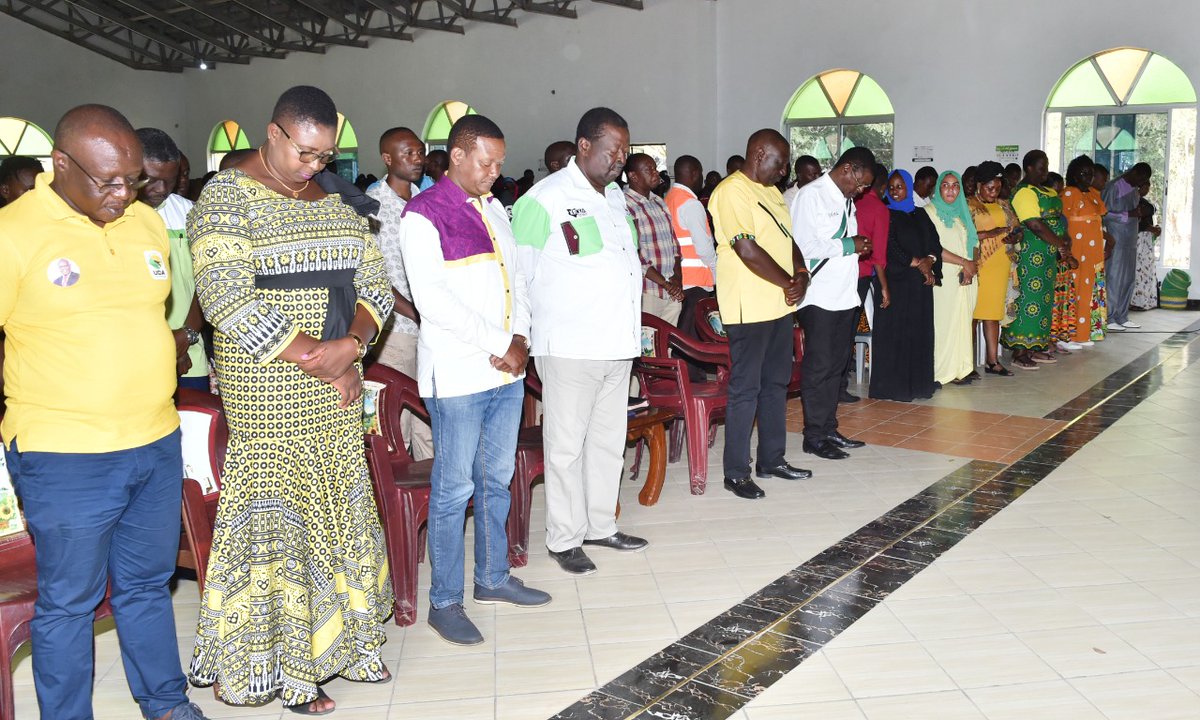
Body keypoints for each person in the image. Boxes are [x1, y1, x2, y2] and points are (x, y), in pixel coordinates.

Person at [187, 86, 394, 714]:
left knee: (337, 507)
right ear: (273, 133)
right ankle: (274, 666)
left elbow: (376, 284)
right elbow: (227, 297)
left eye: (324, 155)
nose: (314, 165)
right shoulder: (225, 198)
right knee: (278, 519)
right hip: (269, 386)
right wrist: (317, 357)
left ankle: (346, 645)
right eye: (304, 152)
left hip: (337, 381)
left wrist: (351, 348)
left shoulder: (333, 198)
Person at [0, 104, 207, 720]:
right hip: (65, 452)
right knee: (70, 601)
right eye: (108, 181)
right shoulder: (14, 232)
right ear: (60, 164)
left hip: (154, 439)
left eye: (133, 180)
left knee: (147, 584)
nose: (124, 194)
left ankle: (165, 704)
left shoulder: (144, 223)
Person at [399, 114, 551, 645]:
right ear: (458, 156)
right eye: (486, 162)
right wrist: (500, 343)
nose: (494, 172)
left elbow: (517, 282)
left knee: (495, 479)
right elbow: (433, 301)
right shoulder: (423, 214)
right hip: (460, 375)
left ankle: (492, 578)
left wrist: (521, 338)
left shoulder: (495, 209)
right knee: (453, 489)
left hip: (506, 372)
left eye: (499, 164)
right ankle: (444, 602)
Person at [512, 107, 648, 576]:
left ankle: (600, 525)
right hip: (569, 345)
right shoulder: (543, 199)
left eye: (626, 151)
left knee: (608, 442)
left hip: (617, 344)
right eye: (613, 150)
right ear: (584, 146)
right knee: (566, 447)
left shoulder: (616, 199)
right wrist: (522, 336)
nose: (620, 159)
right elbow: (519, 276)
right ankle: (565, 538)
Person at [710, 129, 811, 500]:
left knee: (775, 385)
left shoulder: (772, 192)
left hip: (779, 305)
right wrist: (789, 281)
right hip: (748, 306)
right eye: (779, 163)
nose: (784, 172)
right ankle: (736, 473)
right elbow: (745, 248)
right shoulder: (731, 191)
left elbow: (788, 240)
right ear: (758, 154)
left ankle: (772, 459)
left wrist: (801, 273)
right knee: (745, 390)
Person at [791, 147, 875, 460]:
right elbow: (802, 246)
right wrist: (850, 244)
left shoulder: (845, 199)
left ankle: (828, 427)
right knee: (819, 367)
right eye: (861, 183)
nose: (861, 190)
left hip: (844, 296)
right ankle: (813, 436)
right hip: (819, 297)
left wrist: (855, 247)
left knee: (837, 367)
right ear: (848, 169)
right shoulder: (811, 196)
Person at [367, 126, 434, 460]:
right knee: (395, 421)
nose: (417, 159)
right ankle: (393, 487)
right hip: (396, 330)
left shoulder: (427, 201)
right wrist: (415, 312)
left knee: (428, 419)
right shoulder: (373, 207)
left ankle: (430, 485)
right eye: (408, 153)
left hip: (432, 329)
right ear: (387, 158)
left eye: (420, 152)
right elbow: (371, 276)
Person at [136, 127, 208, 391]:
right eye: (152, 180)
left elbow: (209, 281)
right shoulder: (112, 215)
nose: (162, 189)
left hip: (189, 355)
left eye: (170, 180)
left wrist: (185, 336)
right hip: (134, 356)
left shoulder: (190, 213)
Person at [869, 170, 939, 401]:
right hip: (895, 283)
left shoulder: (920, 213)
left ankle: (919, 385)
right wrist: (916, 263)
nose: (895, 191)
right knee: (897, 335)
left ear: (908, 187)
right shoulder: (886, 212)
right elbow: (887, 245)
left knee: (919, 333)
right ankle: (894, 387)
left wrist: (930, 260)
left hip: (920, 285)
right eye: (892, 187)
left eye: (900, 186)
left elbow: (934, 242)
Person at [1002, 150, 1067, 370]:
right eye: (1041, 167)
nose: (1045, 171)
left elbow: (1057, 220)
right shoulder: (1024, 192)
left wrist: (1063, 239)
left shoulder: (1047, 190)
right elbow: (1034, 224)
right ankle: (1019, 350)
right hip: (1030, 255)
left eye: (1046, 166)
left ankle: (1035, 346)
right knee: (1027, 299)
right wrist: (1060, 243)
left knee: (1043, 301)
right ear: (1028, 168)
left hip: (1047, 256)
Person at [665, 154, 717, 381]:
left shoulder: (669, 198)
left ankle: (684, 377)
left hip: (679, 277)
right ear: (695, 173)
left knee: (683, 333)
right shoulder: (691, 203)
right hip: (696, 279)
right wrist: (716, 271)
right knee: (692, 339)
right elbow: (704, 247)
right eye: (701, 173)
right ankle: (693, 382)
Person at [843, 162, 891, 403]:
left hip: (842, 273)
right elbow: (878, 256)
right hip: (861, 275)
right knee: (849, 330)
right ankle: (840, 386)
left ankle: (836, 383)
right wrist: (884, 287)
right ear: (882, 186)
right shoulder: (879, 209)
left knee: (839, 330)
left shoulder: (851, 201)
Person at [927, 171, 980, 385]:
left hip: (965, 277)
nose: (951, 189)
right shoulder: (929, 212)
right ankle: (941, 372)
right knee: (944, 324)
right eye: (946, 185)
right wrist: (964, 262)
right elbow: (933, 248)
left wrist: (971, 266)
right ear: (938, 188)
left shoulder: (961, 213)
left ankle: (960, 369)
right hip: (944, 277)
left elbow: (974, 241)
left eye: (955, 185)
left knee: (962, 323)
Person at [968, 161, 1021, 374]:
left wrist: (1015, 235)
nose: (994, 192)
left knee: (993, 314)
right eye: (990, 188)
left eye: (997, 188)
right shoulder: (969, 205)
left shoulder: (1004, 205)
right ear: (979, 185)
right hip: (980, 266)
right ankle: (967, 364)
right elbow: (964, 234)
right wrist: (990, 233)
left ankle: (992, 361)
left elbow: (1017, 228)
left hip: (1000, 265)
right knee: (973, 315)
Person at [625, 153, 684, 323]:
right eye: (649, 169)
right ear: (633, 176)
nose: (656, 172)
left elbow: (674, 244)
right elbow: (635, 254)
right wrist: (665, 283)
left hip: (671, 289)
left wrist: (677, 278)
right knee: (647, 337)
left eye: (655, 168)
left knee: (667, 339)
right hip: (648, 291)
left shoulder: (658, 201)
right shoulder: (625, 205)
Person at [1061, 155, 1109, 344]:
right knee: (1076, 289)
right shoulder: (1069, 193)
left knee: (1090, 291)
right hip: (1077, 251)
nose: (1088, 177)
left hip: (1093, 254)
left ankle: (1086, 333)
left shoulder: (1093, 194)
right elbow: (1062, 223)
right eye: (1084, 173)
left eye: (1091, 173)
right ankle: (1071, 336)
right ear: (1074, 174)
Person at [1103, 162, 1152, 330]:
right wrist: (1128, 214)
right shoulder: (1114, 187)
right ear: (1134, 172)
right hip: (1116, 240)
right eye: (1141, 178)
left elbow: (1135, 212)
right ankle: (1109, 318)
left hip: (1130, 240)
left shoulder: (1135, 190)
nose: (1142, 182)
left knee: (1128, 279)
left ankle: (1122, 316)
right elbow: (1104, 214)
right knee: (1114, 278)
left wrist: (1139, 213)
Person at [1131, 182, 1160, 310]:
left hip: (1145, 241)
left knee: (1145, 271)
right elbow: (1136, 222)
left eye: (1148, 187)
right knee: (1137, 271)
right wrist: (1151, 228)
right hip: (1137, 240)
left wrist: (1155, 229)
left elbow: (1147, 217)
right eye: (1145, 187)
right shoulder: (1132, 202)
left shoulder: (1143, 202)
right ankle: (1135, 301)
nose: (1147, 189)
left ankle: (1144, 300)